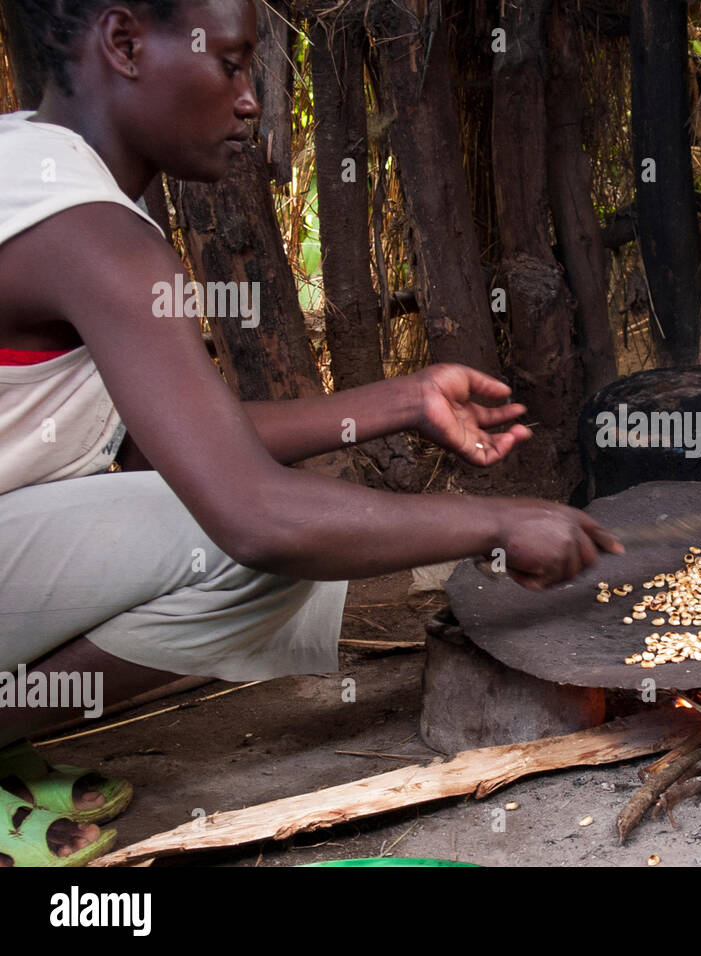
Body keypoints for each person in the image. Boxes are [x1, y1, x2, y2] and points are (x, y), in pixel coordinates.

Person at [0, 0, 620, 866]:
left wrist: (403, 401)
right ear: (127, 43)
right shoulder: (89, 236)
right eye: (231, 62)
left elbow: (148, 449)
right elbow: (251, 516)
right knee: (260, 554)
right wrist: (499, 522)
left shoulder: (32, 167)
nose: (252, 100)